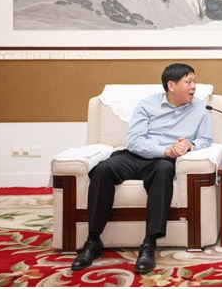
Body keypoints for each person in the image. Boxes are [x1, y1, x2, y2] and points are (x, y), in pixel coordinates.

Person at [71, 63, 213, 274]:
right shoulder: (148, 104)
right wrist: (166, 150)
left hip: (161, 163)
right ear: (171, 86)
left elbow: (206, 139)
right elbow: (135, 141)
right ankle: (93, 241)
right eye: (188, 82)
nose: (194, 86)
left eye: (194, 81)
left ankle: (149, 243)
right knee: (103, 169)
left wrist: (189, 145)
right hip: (135, 156)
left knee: (164, 171)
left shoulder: (199, 108)